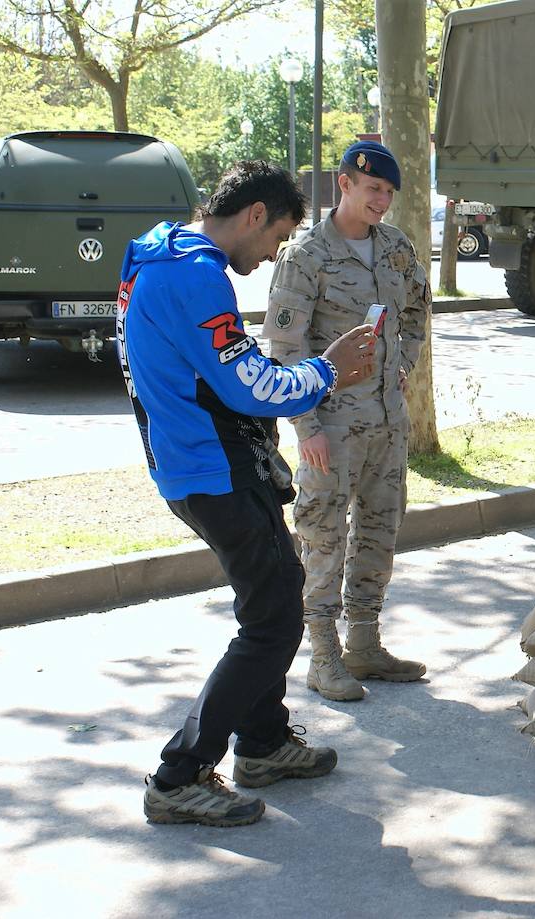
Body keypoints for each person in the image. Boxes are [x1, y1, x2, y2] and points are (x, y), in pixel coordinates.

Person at [118, 160, 377, 827]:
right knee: (272, 621)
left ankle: (262, 742)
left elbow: (217, 370)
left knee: (278, 593)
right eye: (276, 238)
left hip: (197, 462)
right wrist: (328, 370)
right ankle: (178, 776)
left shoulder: (159, 255)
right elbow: (250, 386)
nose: (269, 258)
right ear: (255, 214)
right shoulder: (194, 274)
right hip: (213, 469)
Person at [264, 140, 431, 702]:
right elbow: (285, 348)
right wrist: (305, 426)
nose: (382, 200)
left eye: (389, 192)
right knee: (323, 537)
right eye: (373, 189)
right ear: (345, 184)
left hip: (387, 422)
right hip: (331, 427)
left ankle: (364, 643)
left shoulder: (396, 247)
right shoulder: (306, 255)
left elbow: (417, 308)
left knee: (380, 532)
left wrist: (403, 363)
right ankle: (322, 657)